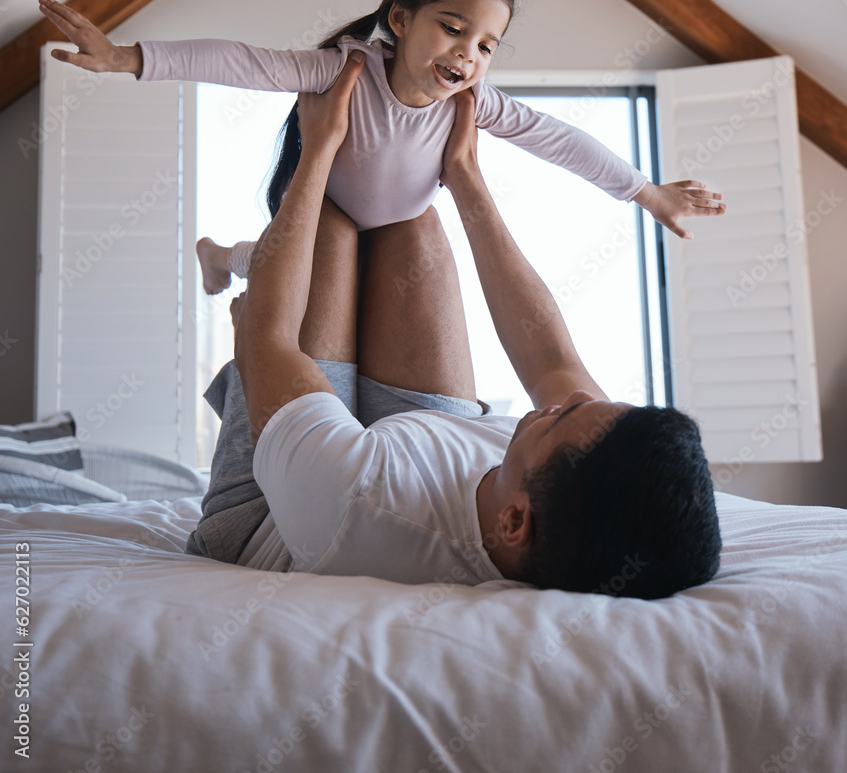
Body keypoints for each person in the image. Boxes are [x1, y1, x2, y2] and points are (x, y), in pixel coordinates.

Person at [179, 53, 722, 599]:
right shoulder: (584, 467)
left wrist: (318, 146)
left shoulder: (353, 501)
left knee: (331, 227)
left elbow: (268, 335)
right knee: (405, 215)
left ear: (514, 523)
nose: (561, 401)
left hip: (273, 511)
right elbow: (553, 361)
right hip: (416, 448)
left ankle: (226, 262)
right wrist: (463, 175)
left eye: (557, 421)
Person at [38, 0, 725, 298]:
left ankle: (233, 261)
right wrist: (126, 57)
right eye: (452, 28)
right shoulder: (346, 69)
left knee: (373, 289)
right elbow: (242, 63)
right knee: (295, 270)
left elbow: (560, 142)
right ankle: (220, 256)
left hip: (396, 223)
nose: (467, 53)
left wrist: (645, 190)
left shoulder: (470, 104)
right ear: (400, 19)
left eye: (485, 45)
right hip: (328, 207)